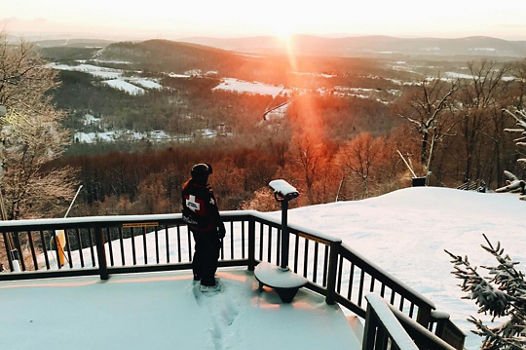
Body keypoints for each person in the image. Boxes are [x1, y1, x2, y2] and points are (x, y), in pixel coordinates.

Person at [181, 163, 226, 290]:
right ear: (202, 177)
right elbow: (213, 211)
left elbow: (187, 207)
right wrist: (220, 225)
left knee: (200, 249)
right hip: (207, 227)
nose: (207, 178)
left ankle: (198, 273)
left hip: (195, 227)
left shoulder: (187, 188)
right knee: (212, 251)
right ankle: (208, 279)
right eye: (206, 176)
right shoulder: (204, 192)